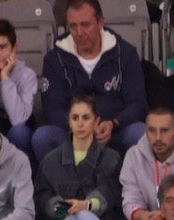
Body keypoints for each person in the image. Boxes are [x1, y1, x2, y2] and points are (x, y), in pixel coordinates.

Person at [35, 0, 147, 162]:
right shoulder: (54, 59)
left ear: (101, 23)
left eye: (86, 25)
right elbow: (52, 107)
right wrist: (77, 128)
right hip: (72, 133)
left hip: (114, 131)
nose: (79, 33)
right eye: (73, 26)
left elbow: (138, 104)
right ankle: (61, 185)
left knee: (139, 133)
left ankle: (130, 186)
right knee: (42, 137)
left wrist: (113, 123)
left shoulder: (125, 53)